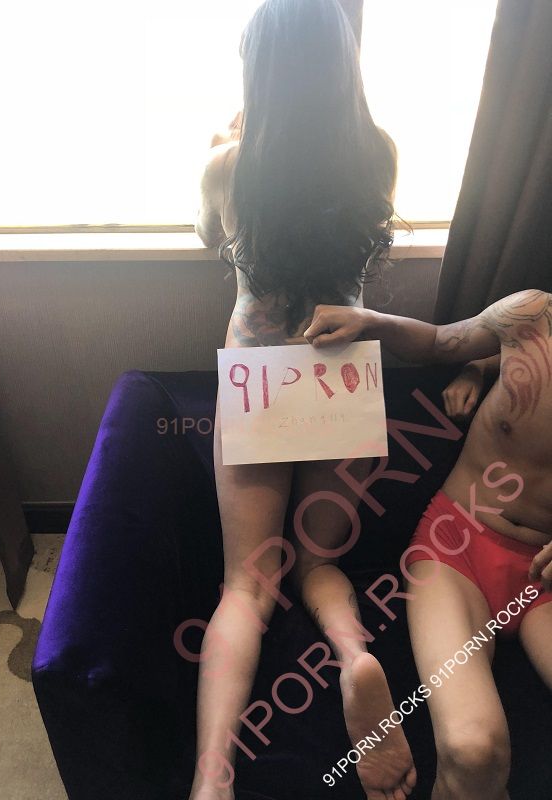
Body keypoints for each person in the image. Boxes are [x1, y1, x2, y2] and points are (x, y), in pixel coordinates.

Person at [191, 1, 417, 799]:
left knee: (246, 587)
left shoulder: (230, 168)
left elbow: (209, 240)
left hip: (257, 382)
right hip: (342, 380)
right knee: (321, 561)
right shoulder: (377, 155)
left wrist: (223, 150)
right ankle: (355, 656)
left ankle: (211, 780)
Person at [302, 289, 552, 799]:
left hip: (544, 581)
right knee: (473, 750)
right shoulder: (530, 315)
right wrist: (371, 320)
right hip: (456, 547)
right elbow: (441, 342)